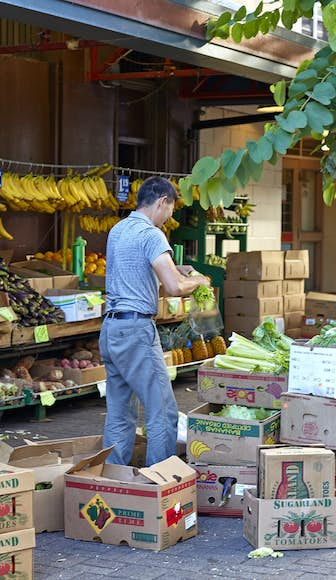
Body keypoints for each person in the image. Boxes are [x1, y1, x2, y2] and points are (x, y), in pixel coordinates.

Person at [102, 176, 210, 466]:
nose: (167, 220)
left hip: (111, 329)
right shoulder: (152, 235)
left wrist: (176, 269)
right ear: (162, 202)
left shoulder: (119, 230)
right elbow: (174, 288)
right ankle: (161, 481)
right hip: (136, 332)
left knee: (120, 414)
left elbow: (137, 272)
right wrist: (199, 280)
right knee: (163, 411)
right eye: (170, 212)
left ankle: (113, 478)